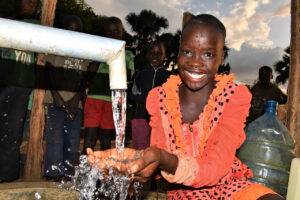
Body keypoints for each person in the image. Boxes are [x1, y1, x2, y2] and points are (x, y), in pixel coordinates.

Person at [87, 14, 284, 200]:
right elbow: (159, 159)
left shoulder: (232, 96)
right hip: (184, 192)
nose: (195, 62)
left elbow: (215, 167)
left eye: (208, 54)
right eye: (187, 51)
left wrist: (161, 158)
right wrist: (136, 163)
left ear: (221, 57)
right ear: (179, 51)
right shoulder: (160, 99)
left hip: (230, 186)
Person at [43, 15, 94, 180]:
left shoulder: (84, 51)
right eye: (69, 30)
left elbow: (84, 78)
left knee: (73, 140)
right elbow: (47, 71)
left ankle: (69, 173)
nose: (73, 33)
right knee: (55, 138)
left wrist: (75, 100)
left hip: (75, 105)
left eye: (77, 30)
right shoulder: (55, 46)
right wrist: (56, 96)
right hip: (55, 100)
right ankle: (53, 173)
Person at [0, 0, 39, 182]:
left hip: (22, 86)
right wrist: (16, 11)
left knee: (13, 134)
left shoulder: (37, 25)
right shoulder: (5, 18)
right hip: (3, 81)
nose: (32, 2)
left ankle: (6, 176)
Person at [83, 16, 135, 153]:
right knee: (89, 139)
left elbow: (127, 76)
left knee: (106, 140)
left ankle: (104, 173)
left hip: (113, 100)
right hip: (94, 97)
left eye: (115, 31)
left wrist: (116, 54)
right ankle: (85, 171)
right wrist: (102, 54)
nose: (112, 35)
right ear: (104, 34)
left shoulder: (127, 54)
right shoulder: (97, 50)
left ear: (122, 32)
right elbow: (89, 73)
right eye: (108, 32)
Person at [131, 40, 172, 150]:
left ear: (164, 56)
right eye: (152, 52)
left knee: (158, 150)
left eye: (159, 53)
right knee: (140, 150)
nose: (155, 56)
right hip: (141, 118)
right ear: (148, 55)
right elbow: (134, 94)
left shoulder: (170, 77)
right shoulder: (140, 75)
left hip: (161, 121)